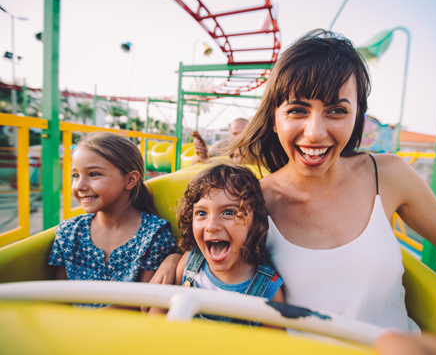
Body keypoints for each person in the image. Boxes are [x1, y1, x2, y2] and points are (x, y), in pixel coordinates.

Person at [230, 29, 436, 332]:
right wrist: (173, 260)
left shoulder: (390, 175)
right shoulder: (253, 203)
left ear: (357, 117)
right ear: (274, 119)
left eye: (337, 111)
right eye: (297, 110)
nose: (315, 132)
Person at [48, 132, 179, 309]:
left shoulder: (154, 234)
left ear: (130, 180)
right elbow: (59, 297)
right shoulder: (68, 232)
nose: (79, 186)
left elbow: (144, 305)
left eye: (94, 174)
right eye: (76, 175)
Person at [151, 163, 284, 327]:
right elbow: (157, 317)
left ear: (255, 222)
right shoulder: (189, 263)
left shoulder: (268, 289)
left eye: (229, 212)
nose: (211, 225)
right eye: (201, 213)